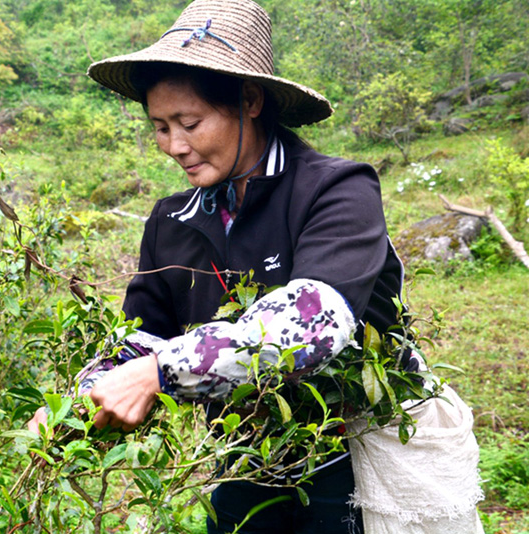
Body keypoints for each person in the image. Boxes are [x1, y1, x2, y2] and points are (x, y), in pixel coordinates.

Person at [28, 0, 430, 532]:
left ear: (251, 99)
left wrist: (158, 373)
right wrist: (77, 403)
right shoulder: (172, 219)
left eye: (189, 123)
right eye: (160, 126)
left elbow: (317, 319)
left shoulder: (336, 189)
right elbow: (145, 335)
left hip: (353, 454)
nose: (174, 145)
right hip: (247, 454)